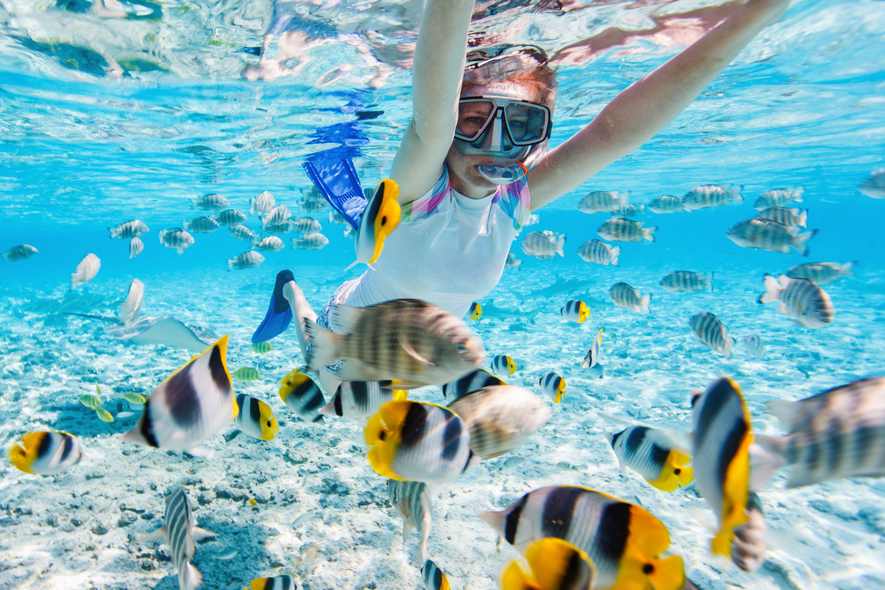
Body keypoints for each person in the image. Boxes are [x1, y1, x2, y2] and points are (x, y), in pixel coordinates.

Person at [253, 0, 792, 390]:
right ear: (451, 118)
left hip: (421, 361)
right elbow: (430, 122)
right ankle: (291, 291)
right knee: (324, 383)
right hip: (347, 338)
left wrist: (754, 16)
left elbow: (613, 133)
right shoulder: (423, 187)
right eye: (473, 119)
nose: (495, 144)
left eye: (521, 124)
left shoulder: (512, 200)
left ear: (541, 133)